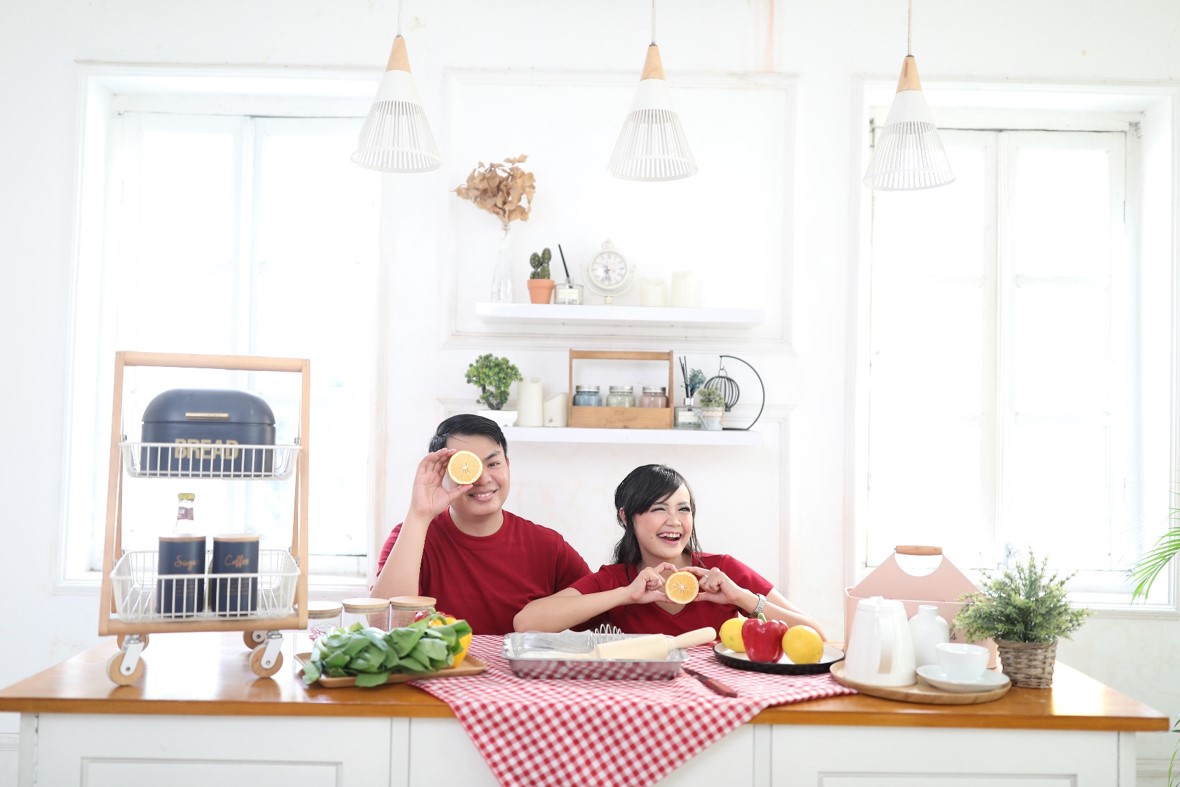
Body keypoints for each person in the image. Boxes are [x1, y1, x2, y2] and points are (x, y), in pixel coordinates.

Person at [514, 463, 826, 638]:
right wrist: (626, 595)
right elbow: (526, 622)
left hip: (716, 706)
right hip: (641, 706)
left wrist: (741, 598)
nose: (675, 521)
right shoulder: (615, 580)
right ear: (626, 517)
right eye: (659, 509)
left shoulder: (723, 571)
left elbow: (816, 635)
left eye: (683, 509)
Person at [372, 413, 592, 635]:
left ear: (507, 465)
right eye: (466, 467)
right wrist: (419, 514)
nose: (483, 478)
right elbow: (384, 624)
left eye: (493, 464)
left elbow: (598, 609)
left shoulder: (547, 546)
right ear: (441, 474)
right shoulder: (411, 536)